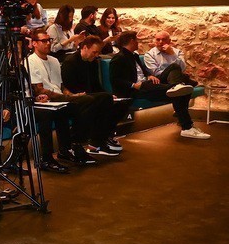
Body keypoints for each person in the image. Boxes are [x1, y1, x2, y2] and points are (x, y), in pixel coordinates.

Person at [26, 28, 107, 166]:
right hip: (46, 100)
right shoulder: (30, 61)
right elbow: (38, 90)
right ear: (34, 43)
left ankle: (71, 146)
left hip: (59, 98)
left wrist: (71, 95)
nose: (48, 43)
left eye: (49, 40)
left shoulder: (54, 60)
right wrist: (64, 97)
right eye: (43, 41)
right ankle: (73, 144)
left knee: (99, 99)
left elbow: (62, 86)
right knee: (87, 101)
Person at [109, 31, 209, 139]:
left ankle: (179, 88)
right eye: (137, 40)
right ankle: (187, 127)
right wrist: (133, 85)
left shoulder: (134, 56)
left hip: (148, 83)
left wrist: (148, 76)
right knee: (181, 90)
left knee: (175, 69)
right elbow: (115, 80)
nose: (138, 43)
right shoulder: (119, 58)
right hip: (137, 89)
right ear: (132, 41)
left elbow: (142, 71)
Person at [60, 35, 124, 154]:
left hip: (89, 95)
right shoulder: (70, 62)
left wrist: (108, 95)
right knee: (97, 101)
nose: (96, 55)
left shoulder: (93, 62)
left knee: (112, 101)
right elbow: (71, 87)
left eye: (98, 52)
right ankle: (86, 142)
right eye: (94, 52)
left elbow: (96, 85)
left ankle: (99, 141)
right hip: (76, 97)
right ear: (84, 48)